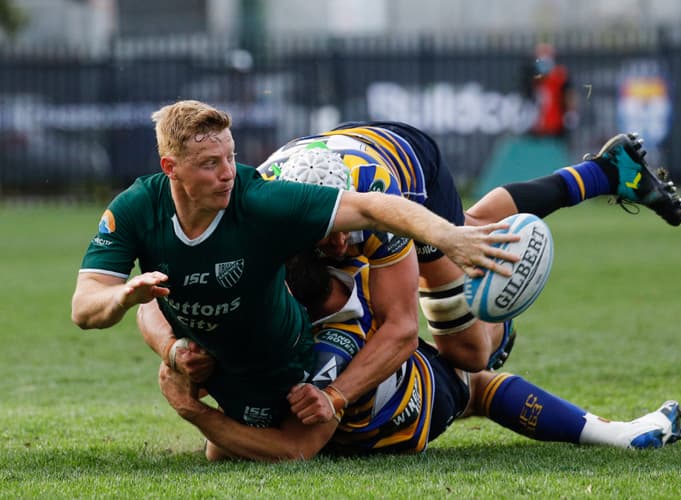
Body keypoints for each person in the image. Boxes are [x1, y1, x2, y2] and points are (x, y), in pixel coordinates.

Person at [70, 99, 520, 429]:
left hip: (295, 350)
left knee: (471, 353)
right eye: (210, 163)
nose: (228, 172)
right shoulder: (134, 209)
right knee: (224, 451)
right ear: (171, 168)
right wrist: (132, 306)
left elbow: (372, 207)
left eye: (231, 157)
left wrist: (447, 235)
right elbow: (87, 306)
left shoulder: (262, 198)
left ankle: (488, 345)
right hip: (233, 354)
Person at [157, 249, 681, 462]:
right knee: (476, 381)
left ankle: (616, 433)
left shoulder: (305, 343)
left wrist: (193, 401)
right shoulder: (366, 269)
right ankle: (615, 433)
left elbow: (255, 449)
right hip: (412, 406)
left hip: (377, 415)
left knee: (471, 377)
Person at [522, 42, 578, 139]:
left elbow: (569, 94)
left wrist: (570, 112)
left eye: (547, 53)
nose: (544, 57)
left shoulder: (560, 75)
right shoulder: (531, 76)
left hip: (556, 124)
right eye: (541, 53)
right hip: (536, 125)